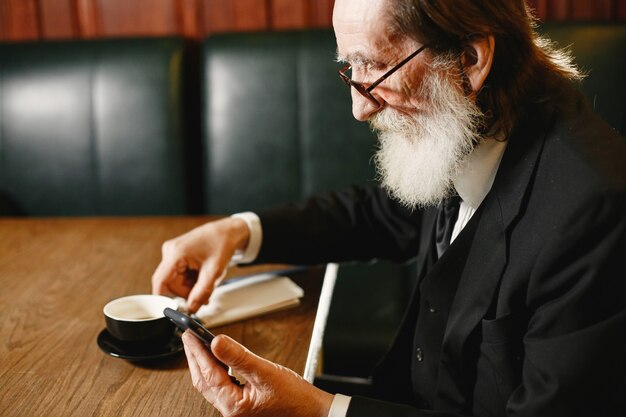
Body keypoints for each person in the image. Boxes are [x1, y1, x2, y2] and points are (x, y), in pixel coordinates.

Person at [151, 0, 626, 415]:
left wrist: (318, 412)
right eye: (349, 67)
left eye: (374, 67)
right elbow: (380, 212)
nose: (360, 108)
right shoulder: (471, 124)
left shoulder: (593, 213)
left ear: (471, 58)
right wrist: (239, 231)